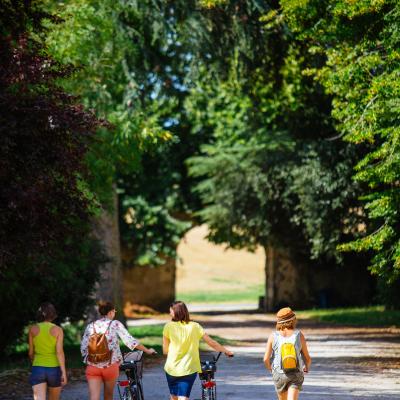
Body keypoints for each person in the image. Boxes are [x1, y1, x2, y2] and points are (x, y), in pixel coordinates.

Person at [80, 301, 156, 400]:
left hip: (93, 366)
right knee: (108, 396)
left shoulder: (91, 326)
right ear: (111, 312)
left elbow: (83, 349)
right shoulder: (115, 324)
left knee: (94, 397)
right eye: (114, 311)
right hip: (110, 365)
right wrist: (147, 350)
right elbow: (131, 342)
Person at [163, 300, 234, 400]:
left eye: (171, 311)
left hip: (171, 368)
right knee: (183, 397)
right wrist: (226, 351)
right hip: (188, 368)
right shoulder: (195, 326)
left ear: (175, 312)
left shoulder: (168, 327)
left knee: (174, 397)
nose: (170, 313)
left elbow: (165, 351)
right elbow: (211, 343)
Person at [263, 307, 311, 400]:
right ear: (293, 320)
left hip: (279, 374)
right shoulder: (299, 335)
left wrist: (271, 369)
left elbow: (266, 359)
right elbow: (307, 358)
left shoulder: (273, 336)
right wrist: (306, 367)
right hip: (296, 373)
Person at [28, 302, 67, 400]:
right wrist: (64, 372)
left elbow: (30, 353)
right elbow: (59, 352)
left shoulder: (33, 329)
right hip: (54, 369)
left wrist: (35, 362)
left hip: (38, 368)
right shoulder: (58, 330)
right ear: (53, 314)